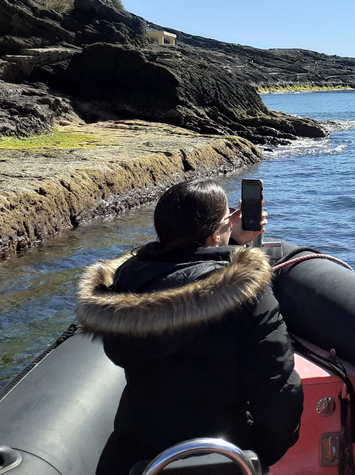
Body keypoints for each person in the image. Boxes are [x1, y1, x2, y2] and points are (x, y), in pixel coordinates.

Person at [76, 179, 303, 475]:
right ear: (212, 235)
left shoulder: (124, 287)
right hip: (218, 457)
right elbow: (279, 392)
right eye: (226, 219)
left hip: (132, 456)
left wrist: (228, 239)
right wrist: (259, 454)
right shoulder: (248, 298)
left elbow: (181, 274)